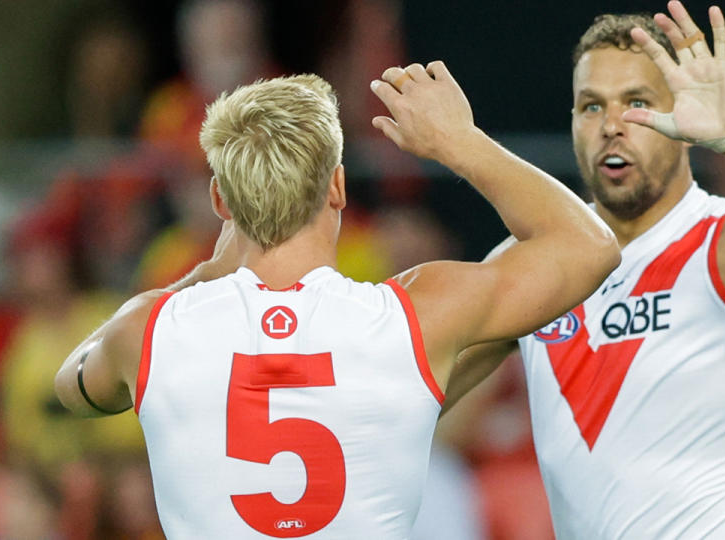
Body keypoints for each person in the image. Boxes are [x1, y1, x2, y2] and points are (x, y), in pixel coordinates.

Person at [53, 67, 620, 537]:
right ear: (338, 187)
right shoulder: (414, 317)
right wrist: (460, 143)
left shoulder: (150, 329)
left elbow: (71, 387)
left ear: (220, 201)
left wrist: (203, 273)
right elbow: (588, 247)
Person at [443, 2, 725, 538]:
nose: (613, 125)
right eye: (591, 106)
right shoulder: (539, 264)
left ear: (684, 120)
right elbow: (412, 391)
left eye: (637, 103)